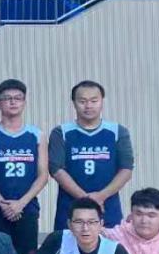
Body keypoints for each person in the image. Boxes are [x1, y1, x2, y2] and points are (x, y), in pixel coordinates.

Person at [0, 79, 48, 254]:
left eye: (18, 98)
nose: (13, 102)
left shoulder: (37, 134)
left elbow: (43, 175)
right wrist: (2, 203)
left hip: (27, 207)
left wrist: (21, 203)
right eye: (7, 98)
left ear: (24, 102)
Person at [50, 80, 134, 230]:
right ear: (74, 103)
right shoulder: (61, 132)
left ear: (102, 101)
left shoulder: (118, 131)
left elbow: (126, 169)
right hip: (70, 206)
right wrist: (85, 198)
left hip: (107, 206)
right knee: (67, 243)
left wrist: (100, 196)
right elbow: (56, 169)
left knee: (110, 243)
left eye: (94, 101)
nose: (88, 106)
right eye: (82, 101)